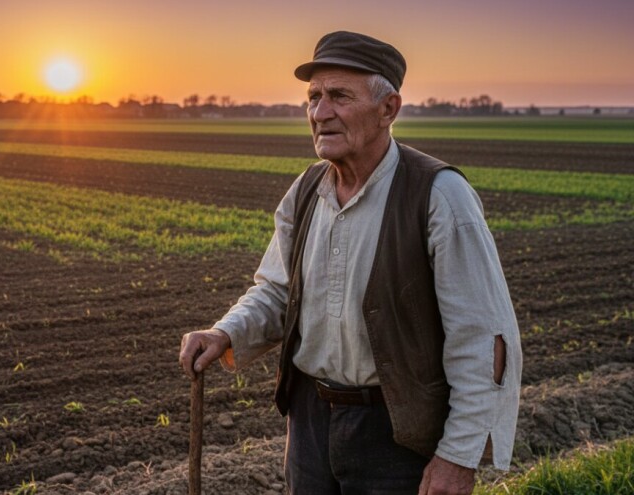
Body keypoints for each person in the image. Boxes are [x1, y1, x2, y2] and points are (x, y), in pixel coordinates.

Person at [179, 31, 522, 495]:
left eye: (339, 96)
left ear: (389, 109)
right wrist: (226, 333)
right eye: (314, 98)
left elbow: (483, 339)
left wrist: (457, 457)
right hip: (310, 424)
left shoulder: (439, 196)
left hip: (398, 431)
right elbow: (278, 291)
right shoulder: (305, 191)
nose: (320, 113)